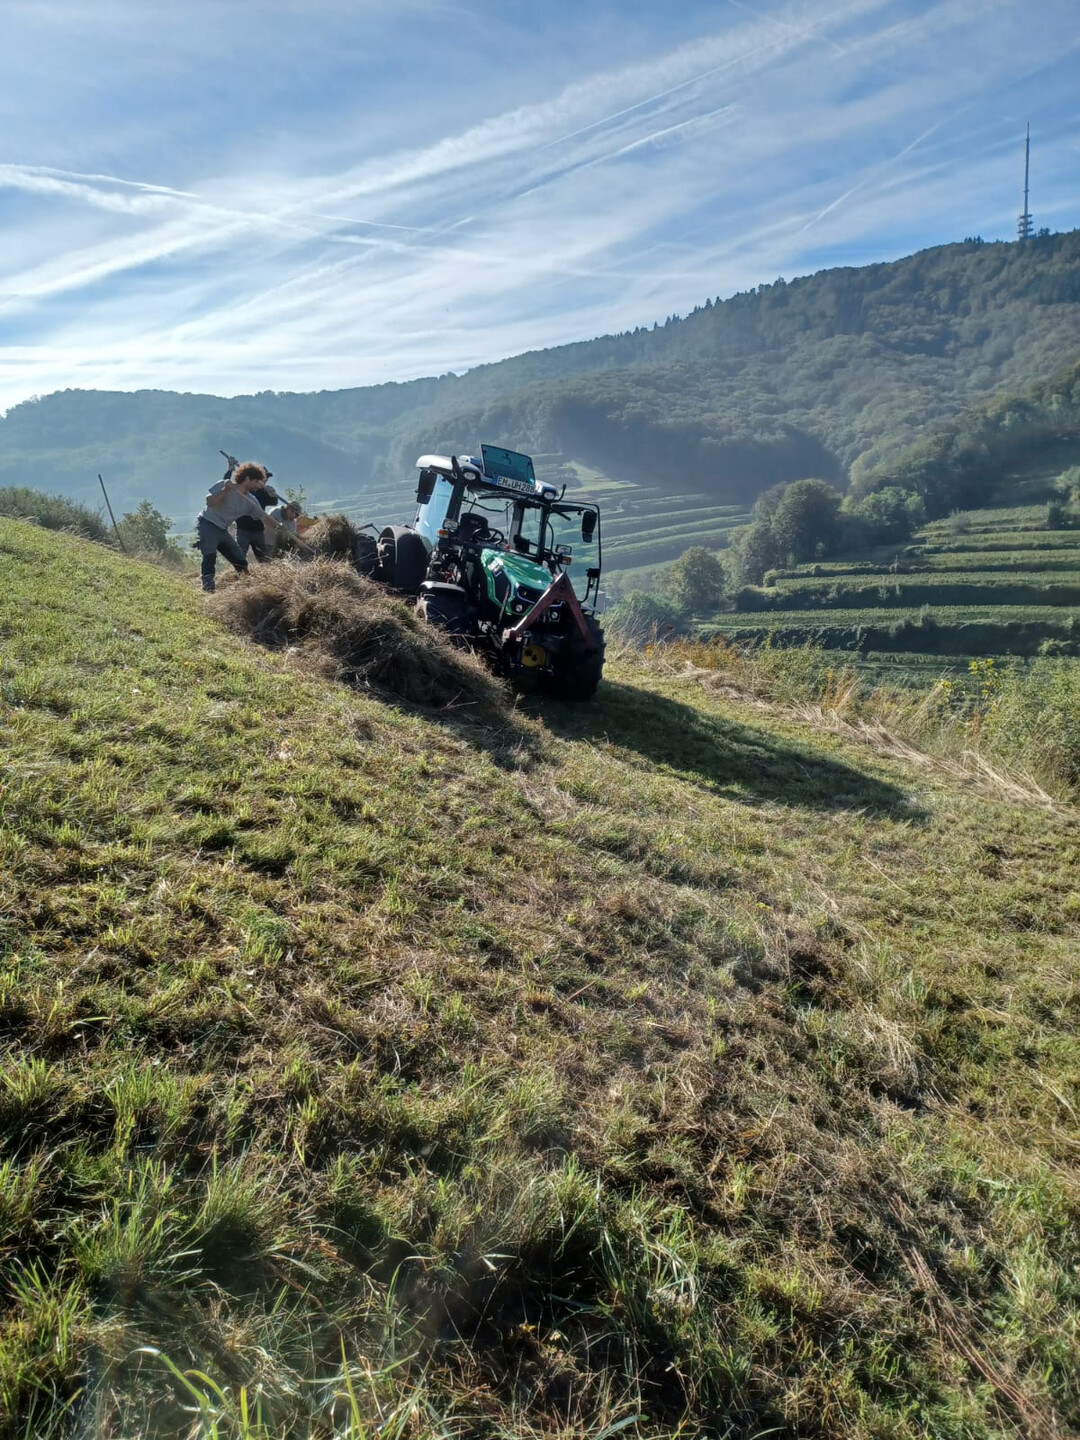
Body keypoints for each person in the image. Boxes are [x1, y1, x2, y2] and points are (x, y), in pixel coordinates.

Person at [196, 462, 292, 592]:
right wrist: (225, 490)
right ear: (247, 478)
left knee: (240, 560)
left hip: (222, 529)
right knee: (210, 554)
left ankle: (245, 590)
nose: (259, 485)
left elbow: (263, 516)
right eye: (256, 481)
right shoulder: (225, 484)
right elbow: (210, 502)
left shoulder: (251, 500)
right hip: (207, 523)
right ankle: (208, 588)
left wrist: (280, 527)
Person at [234, 470, 281, 564]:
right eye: (263, 479)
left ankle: (266, 575)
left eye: (266, 479)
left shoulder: (264, 492)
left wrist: (272, 493)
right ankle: (239, 574)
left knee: (264, 558)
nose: (265, 481)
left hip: (258, 530)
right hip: (243, 529)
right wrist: (230, 469)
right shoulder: (245, 490)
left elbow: (274, 502)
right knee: (239, 556)